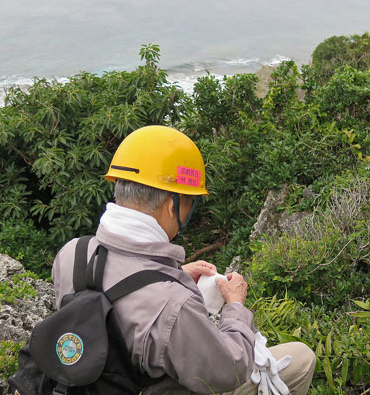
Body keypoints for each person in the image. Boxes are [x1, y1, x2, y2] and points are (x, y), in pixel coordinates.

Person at [52, 125, 316, 395]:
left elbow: (114, 297)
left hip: (88, 382)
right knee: (301, 358)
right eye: (189, 202)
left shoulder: (73, 253)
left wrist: (171, 275)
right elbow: (229, 371)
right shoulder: (173, 305)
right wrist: (235, 307)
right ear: (171, 206)